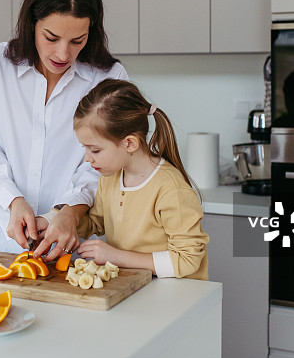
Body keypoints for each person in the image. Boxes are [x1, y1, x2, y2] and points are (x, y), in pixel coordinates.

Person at [0, 0, 128, 260]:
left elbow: (107, 164)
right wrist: (13, 200)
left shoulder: (108, 78)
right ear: (31, 24)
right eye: (51, 38)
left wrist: (68, 211)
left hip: (73, 251)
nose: (63, 54)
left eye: (77, 41)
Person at [37, 78, 209, 279]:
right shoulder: (111, 177)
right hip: (136, 287)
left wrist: (115, 256)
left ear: (129, 144)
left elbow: (187, 260)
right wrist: (52, 221)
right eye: (85, 148)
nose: (87, 158)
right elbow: (95, 221)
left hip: (176, 293)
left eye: (95, 150)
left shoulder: (170, 189)